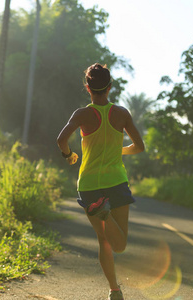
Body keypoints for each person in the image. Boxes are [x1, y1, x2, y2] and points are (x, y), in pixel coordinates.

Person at [57, 63, 145, 300]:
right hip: (116, 182)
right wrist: (120, 151)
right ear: (110, 86)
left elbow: (61, 139)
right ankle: (104, 213)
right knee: (120, 245)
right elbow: (140, 146)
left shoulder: (82, 114)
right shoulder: (122, 114)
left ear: (88, 88)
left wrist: (69, 155)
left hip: (89, 186)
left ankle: (114, 289)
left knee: (103, 241)